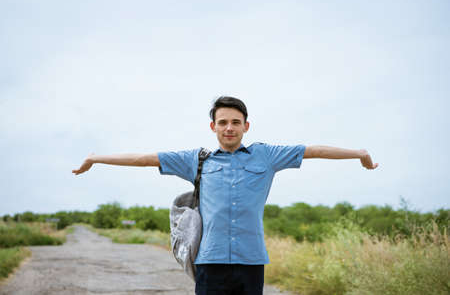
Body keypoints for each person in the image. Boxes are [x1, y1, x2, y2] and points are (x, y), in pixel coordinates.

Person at [72, 96, 378, 295]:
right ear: (213, 126)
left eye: (235, 122)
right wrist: (97, 158)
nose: (229, 128)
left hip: (251, 260)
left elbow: (315, 150)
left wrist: (359, 153)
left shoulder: (266, 155)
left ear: (246, 126)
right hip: (210, 260)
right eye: (223, 122)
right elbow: (143, 158)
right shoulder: (197, 159)